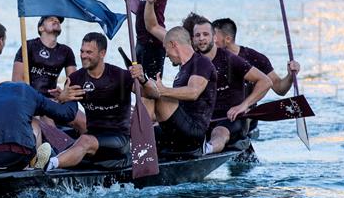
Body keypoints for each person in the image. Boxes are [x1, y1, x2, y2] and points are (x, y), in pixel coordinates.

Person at [183, 13, 272, 154]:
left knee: (219, 132)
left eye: (205, 34)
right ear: (192, 40)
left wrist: (244, 105)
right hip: (205, 121)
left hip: (232, 118)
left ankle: (207, 149)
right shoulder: (191, 61)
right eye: (198, 35)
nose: (201, 39)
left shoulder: (230, 59)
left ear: (214, 37)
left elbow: (265, 81)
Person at [46, 33, 134, 171]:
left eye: (89, 52)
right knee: (75, 145)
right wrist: (62, 99)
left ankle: (48, 166)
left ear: (102, 53)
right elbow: (68, 114)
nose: (83, 55)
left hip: (119, 139)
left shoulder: (120, 76)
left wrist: (142, 79)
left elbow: (150, 94)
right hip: (92, 136)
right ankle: (50, 163)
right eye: (81, 51)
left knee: (84, 141)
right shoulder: (76, 78)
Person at [130, 26, 216, 155]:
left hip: (194, 133)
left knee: (151, 94)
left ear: (173, 44)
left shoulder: (201, 62)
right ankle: (134, 146)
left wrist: (162, 90)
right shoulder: (182, 71)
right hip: (178, 130)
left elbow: (193, 92)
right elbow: (174, 109)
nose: (166, 54)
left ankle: (138, 148)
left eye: (166, 49)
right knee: (144, 127)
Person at [211, 18, 301, 96]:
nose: (210, 40)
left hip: (246, 112)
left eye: (213, 37)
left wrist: (290, 76)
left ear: (228, 39)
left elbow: (280, 89)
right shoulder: (206, 57)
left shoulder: (255, 58)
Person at [136, 0, 173, 119]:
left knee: (150, 87)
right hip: (140, 40)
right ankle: (152, 120)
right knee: (141, 86)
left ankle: (149, 124)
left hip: (154, 40)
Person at [12, 16, 77, 97]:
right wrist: (29, 98)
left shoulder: (66, 51)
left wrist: (63, 94)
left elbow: (73, 83)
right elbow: (16, 79)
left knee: (74, 108)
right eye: (51, 19)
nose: (56, 21)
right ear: (41, 28)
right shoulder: (29, 46)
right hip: (29, 98)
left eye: (58, 21)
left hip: (52, 100)